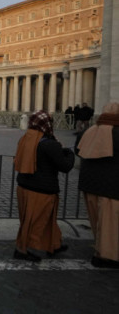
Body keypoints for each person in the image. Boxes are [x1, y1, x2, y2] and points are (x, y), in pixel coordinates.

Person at [13, 110, 75, 262]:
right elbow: (65, 166)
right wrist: (68, 152)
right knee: (33, 222)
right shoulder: (50, 144)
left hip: (24, 186)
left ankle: (53, 245)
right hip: (42, 190)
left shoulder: (25, 139)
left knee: (46, 220)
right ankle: (21, 250)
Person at [76, 101, 119, 268]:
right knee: (110, 224)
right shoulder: (116, 133)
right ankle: (104, 256)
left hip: (89, 185)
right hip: (111, 187)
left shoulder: (89, 131)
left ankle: (99, 250)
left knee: (97, 221)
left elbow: (78, 150)